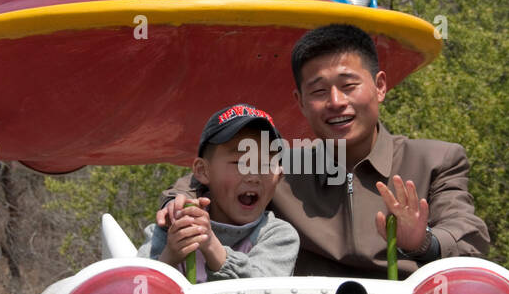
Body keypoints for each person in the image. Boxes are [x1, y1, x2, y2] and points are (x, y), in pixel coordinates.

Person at [159, 24, 490, 279]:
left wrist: (422, 242)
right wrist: (180, 201)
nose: (335, 102)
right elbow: (210, 176)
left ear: (380, 86)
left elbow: (468, 239)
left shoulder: (434, 161)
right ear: (300, 103)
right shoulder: (282, 164)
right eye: (318, 91)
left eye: (348, 86)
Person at [140, 104, 299, 280]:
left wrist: (212, 247)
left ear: (280, 175)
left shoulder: (279, 235)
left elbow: (263, 293)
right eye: (241, 163)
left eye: (266, 164)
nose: (254, 176)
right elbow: (136, 289)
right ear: (202, 171)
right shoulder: (171, 228)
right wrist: (169, 258)